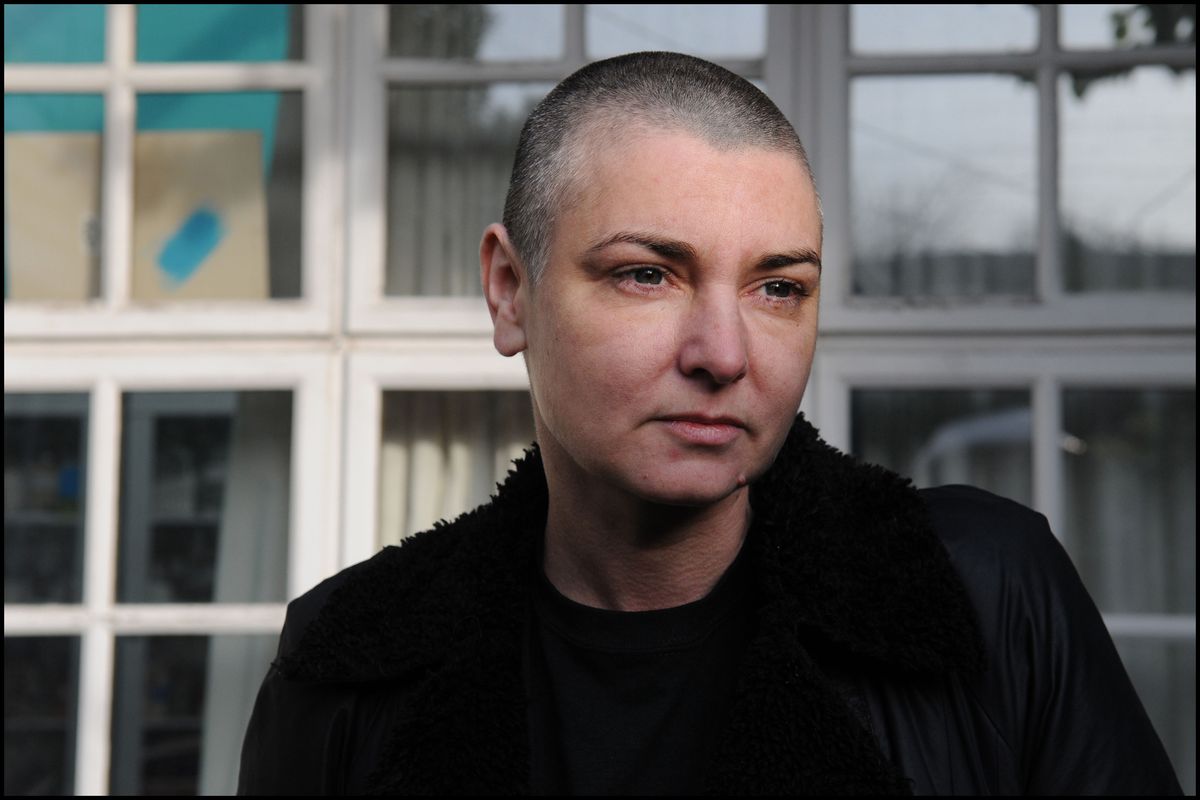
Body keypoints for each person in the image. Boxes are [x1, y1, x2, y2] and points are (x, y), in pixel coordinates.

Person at [238, 52, 1182, 795]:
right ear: (510, 290)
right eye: (648, 274)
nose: (724, 355)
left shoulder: (985, 596)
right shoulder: (345, 665)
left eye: (779, 288)